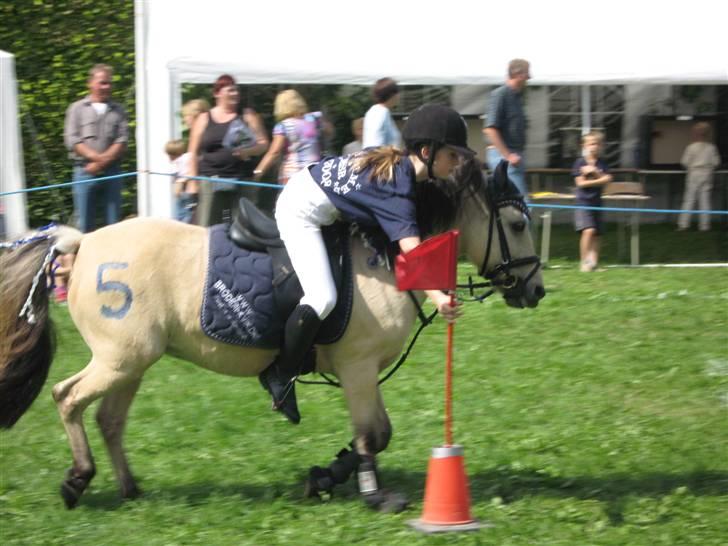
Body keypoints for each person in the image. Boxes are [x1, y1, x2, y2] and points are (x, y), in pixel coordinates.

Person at [259, 103, 473, 424]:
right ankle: (280, 375)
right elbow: (412, 253)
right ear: (427, 152)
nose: (456, 163)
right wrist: (438, 297)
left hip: (316, 189)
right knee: (322, 298)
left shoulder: (401, 167)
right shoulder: (397, 189)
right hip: (299, 209)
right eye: (452, 155)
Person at [187, 74, 269, 226]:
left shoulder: (247, 115)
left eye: (236, 90)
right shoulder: (204, 118)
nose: (235, 94)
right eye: (230, 90)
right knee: (207, 227)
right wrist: (192, 182)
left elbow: (263, 144)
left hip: (242, 179)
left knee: (244, 227)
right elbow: (192, 153)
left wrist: (248, 152)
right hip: (210, 180)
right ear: (217, 93)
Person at [64, 64, 129, 233]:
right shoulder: (77, 108)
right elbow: (72, 140)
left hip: (112, 171)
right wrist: (96, 159)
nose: (106, 87)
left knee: (114, 223)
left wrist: (100, 163)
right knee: (84, 225)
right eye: (102, 83)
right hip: (84, 171)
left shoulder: (119, 110)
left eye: (109, 83)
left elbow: (122, 140)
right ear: (90, 83)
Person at [253, 89, 329, 186]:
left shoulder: (283, 126)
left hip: (293, 174)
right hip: (316, 173)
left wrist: (258, 172)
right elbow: (330, 132)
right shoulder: (315, 118)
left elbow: (274, 152)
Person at [483, 59, 530, 200]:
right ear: (518, 74)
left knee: (509, 206)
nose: (529, 77)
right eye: (527, 73)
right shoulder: (500, 94)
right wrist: (508, 155)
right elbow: (490, 129)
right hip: (503, 156)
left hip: (513, 156)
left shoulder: (517, 98)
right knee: (523, 205)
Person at [572, 131, 612, 272]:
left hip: (597, 203)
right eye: (590, 144)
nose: (594, 146)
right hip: (583, 203)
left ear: (601, 146)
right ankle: (584, 262)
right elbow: (581, 184)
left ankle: (593, 264)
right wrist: (599, 180)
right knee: (588, 231)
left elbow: (608, 181)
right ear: (584, 146)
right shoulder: (579, 162)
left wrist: (594, 172)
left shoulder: (602, 164)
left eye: (597, 144)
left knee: (597, 234)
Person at [677, 122, 721, 232]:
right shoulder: (712, 148)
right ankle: (704, 226)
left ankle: (683, 225)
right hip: (707, 174)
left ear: (696, 133)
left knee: (689, 200)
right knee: (705, 201)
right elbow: (716, 162)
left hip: (694, 174)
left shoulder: (691, 147)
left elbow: (684, 162)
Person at [362, 77, 401, 148]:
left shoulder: (379, 111)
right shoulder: (380, 112)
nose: (399, 96)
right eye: (397, 92)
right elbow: (374, 145)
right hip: (380, 158)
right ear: (392, 94)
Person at [164, 139, 196, 223]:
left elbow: (176, 178)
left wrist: (178, 188)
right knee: (189, 211)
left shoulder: (175, 163)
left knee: (180, 214)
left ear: (172, 154)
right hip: (191, 189)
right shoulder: (188, 157)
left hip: (182, 191)